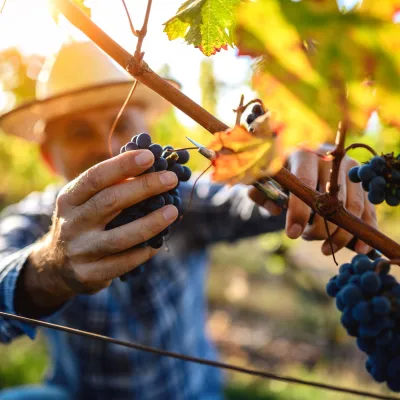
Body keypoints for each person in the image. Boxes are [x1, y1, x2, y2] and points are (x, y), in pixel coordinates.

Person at [0, 41, 376, 400]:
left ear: (146, 130)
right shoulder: (35, 221)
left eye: (122, 125)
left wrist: (298, 178)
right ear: (50, 158)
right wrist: (49, 267)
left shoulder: (183, 199)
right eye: (80, 132)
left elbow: (247, 204)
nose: (109, 147)